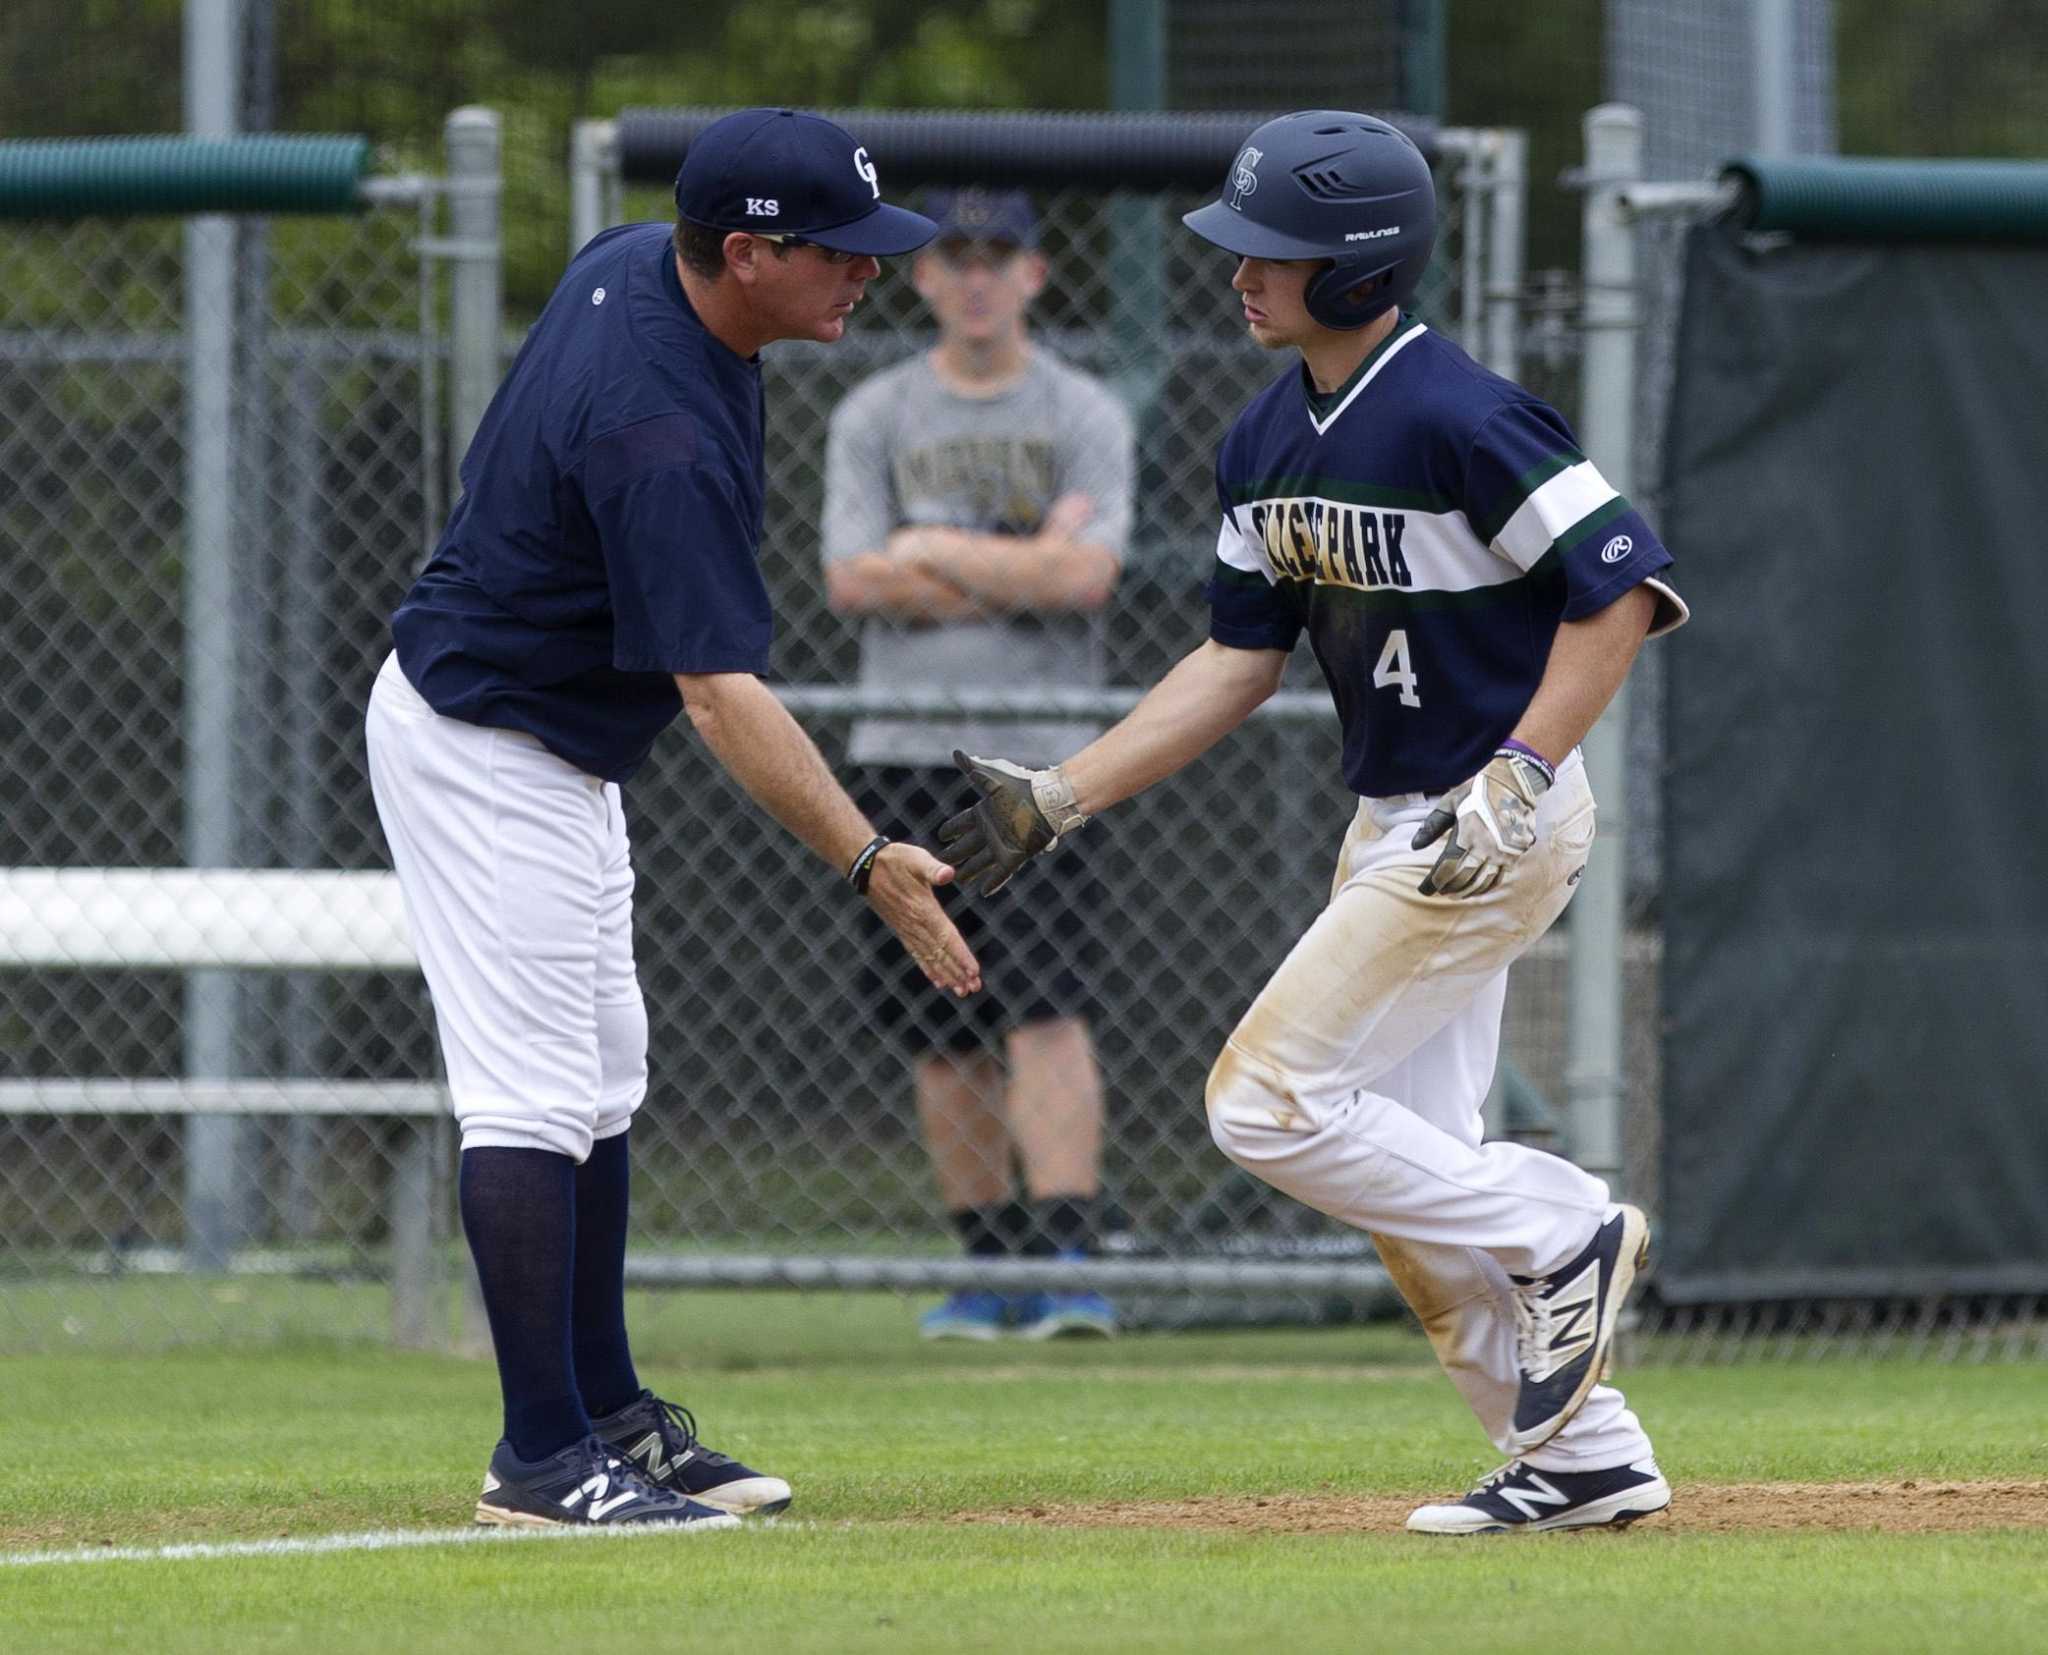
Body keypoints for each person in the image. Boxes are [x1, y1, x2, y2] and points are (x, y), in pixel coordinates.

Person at [938, 111, 1688, 1534]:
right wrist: (1062, 790)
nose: (1238, 273)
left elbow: (1623, 589)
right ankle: (1585, 1456)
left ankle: (1566, 1227)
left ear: (1358, 267)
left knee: (1261, 1102)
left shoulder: (1462, 412)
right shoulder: (1263, 436)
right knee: (1410, 1175)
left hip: (1491, 813)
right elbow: (1238, 660)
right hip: (1392, 822)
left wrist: (1520, 764)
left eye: (1269, 250)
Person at [366, 108, 978, 1531]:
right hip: (487, 738)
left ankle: (606, 1412)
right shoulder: (658, 433)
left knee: (603, 1076)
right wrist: (869, 858)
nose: (868, 273)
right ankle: (541, 1455)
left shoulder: (639, 253)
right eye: (838, 251)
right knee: (529, 1094)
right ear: (746, 252)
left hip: (549, 737)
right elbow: (719, 697)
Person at [821, 188, 1134, 1341]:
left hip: (1038, 761)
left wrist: (929, 549)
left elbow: (1085, 578)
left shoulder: (1084, 408)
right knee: (939, 1016)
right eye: (953, 258)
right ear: (921, 276)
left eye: (997, 256)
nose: (975, 278)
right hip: (901, 749)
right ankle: (988, 1266)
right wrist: (1020, 562)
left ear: (1033, 274)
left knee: (1044, 1006)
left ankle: (1067, 1260)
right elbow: (852, 578)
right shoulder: (874, 411)